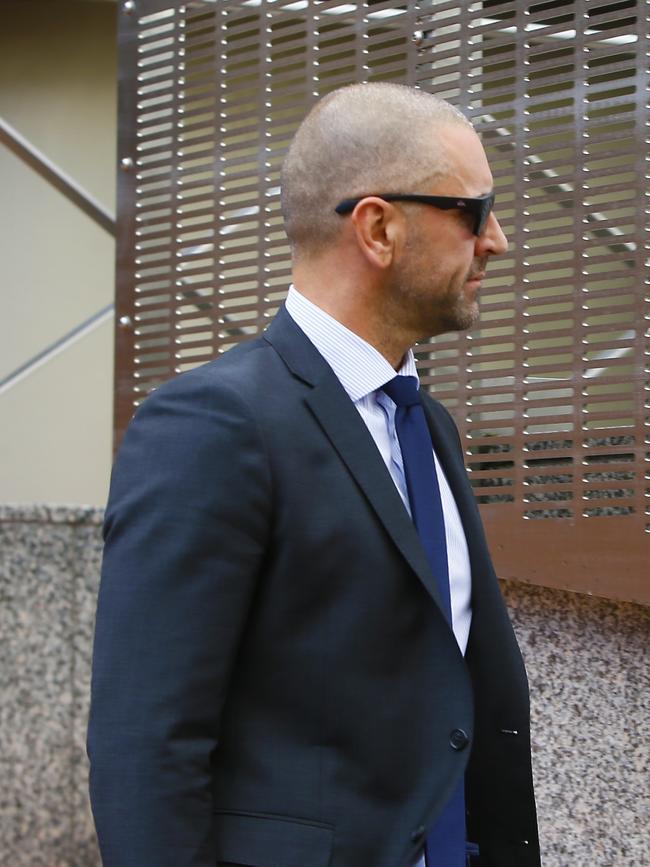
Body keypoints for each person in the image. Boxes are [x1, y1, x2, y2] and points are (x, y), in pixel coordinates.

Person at [88, 82, 540, 867]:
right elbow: (146, 749)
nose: (496, 240)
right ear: (378, 227)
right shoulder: (212, 425)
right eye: (473, 211)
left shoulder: (426, 423)